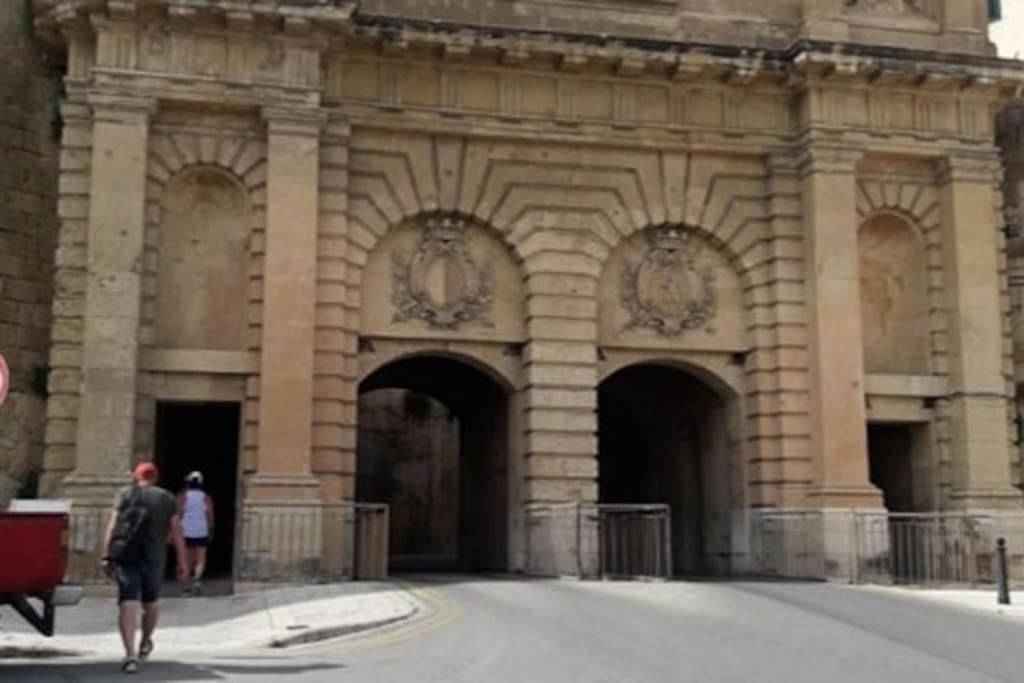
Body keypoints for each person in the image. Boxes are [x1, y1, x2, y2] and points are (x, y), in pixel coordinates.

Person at [102, 462, 188, 674]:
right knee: (151, 602)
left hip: (127, 555)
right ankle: (146, 641)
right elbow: (176, 531)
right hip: (155, 557)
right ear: (156, 478)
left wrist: (106, 555)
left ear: (135, 476)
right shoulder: (166, 498)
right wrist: (183, 561)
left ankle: (130, 655)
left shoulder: (125, 494)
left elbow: (113, 525)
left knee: (127, 602)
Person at [177, 471, 214, 596]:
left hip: (186, 530)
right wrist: (210, 529)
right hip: (201, 530)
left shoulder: (183, 497)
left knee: (187, 559)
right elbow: (210, 515)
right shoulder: (206, 497)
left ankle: (185, 587)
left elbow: (179, 514)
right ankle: (197, 579)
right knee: (201, 559)